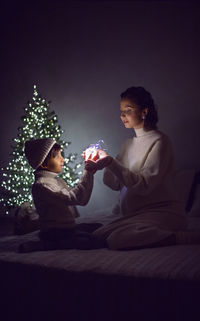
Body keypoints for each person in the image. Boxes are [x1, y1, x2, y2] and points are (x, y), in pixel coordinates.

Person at [93, 86, 196, 250]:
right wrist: (102, 162)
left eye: (128, 110)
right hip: (137, 215)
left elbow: (144, 186)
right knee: (99, 234)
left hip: (163, 212)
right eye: (121, 111)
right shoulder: (128, 144)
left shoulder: (160, 141)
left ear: (144, 112)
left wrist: (111, 163)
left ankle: (183, 237)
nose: (122, 115)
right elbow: (113, 183)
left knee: (117, 239)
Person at [19, 138, 106, 252]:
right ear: (43, 163)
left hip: (67, 228)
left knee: (98, 227)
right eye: (57, 156)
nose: (63, 159)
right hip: (54, 232)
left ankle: (58, 241)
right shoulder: (43, 186)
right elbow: (77, 198)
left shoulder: (57, 181)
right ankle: (45, 245)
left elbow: (78, 197)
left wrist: (89, 173)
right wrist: (87, 172)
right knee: (91, 241)